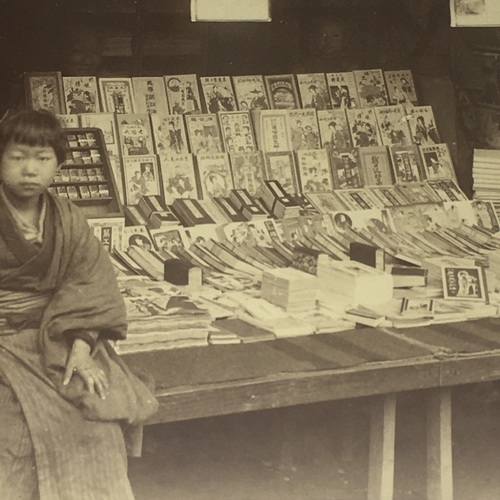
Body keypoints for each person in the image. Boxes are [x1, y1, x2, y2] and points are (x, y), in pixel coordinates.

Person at [0, 109, 158, 498]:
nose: (29, 170)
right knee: (16, 429)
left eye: (42, 159)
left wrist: (83, 348)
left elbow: (89, 286)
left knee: (96, 412)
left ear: (58, 165)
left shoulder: (68, 219)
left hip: (54, 337)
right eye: (17, 157)